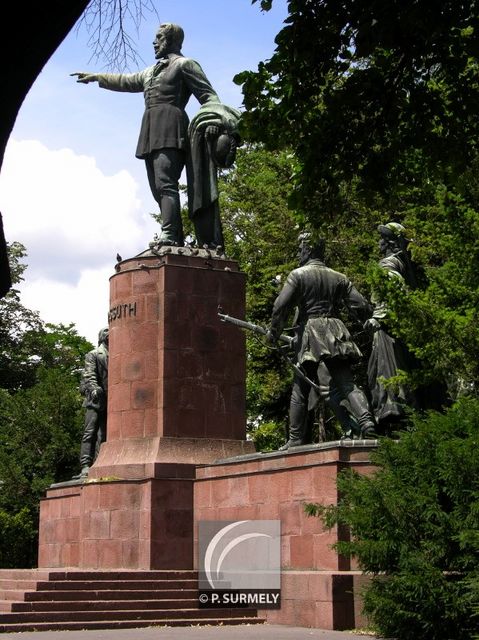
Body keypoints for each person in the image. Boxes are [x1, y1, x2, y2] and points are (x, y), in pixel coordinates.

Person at [72, 23, 240, 250]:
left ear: (172, 41)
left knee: (165, 183)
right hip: (151, 129)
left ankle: (169, 234)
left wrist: (214, 121)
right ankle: (174, 234)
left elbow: (209, 96)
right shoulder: (150, 72)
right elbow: (125, 81)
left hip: (172, 127)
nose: (154, 42)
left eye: (159, 38)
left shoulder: (185, 65)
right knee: (156, 187)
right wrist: (97, 77)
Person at [267, 233, 377, 449]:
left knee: (300, 387)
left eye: (301, 248)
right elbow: (360, 304)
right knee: (346, 383)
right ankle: (366, 420)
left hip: (310, 331)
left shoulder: (297, 275)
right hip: (336, 330)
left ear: (308, 249)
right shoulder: (339, 277)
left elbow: (280, 306)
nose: (299, 252)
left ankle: (296, 438)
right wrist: (368, 321)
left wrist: (274, 331)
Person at [364, 222, 421, 433]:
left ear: (388, 243)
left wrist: (378, 317)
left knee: (384, 372)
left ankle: (392, 415)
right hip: (397, 330)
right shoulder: (405, 266)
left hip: (386, 331)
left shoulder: (387, 265)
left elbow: (396, 293)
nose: (378, 242)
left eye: (381, 239)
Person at [76, 327, 109, 478]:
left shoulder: (117, 354)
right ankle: (85, 465)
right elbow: (89, 375)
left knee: (104, 435)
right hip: (95, 400)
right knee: (90, 433)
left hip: (111, 401)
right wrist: (95, 388)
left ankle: (98, 463)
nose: (110, 334)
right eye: (107, 331)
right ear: (102, 336)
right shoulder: (94, 354)